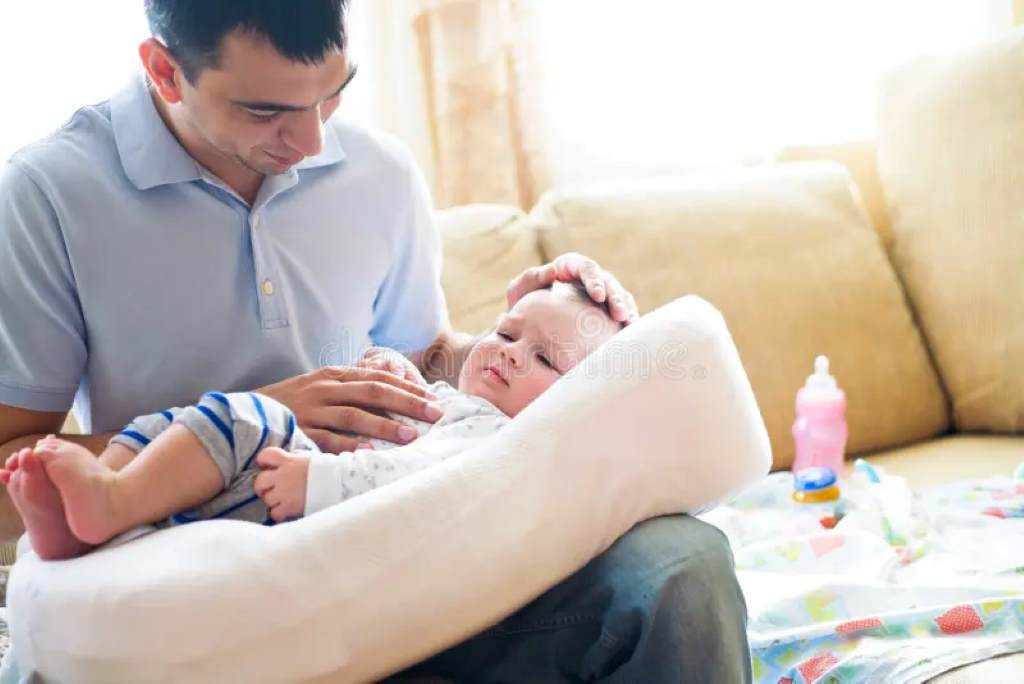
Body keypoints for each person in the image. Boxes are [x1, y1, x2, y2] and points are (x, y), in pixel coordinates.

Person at [0, 1, 751, 680]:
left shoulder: (377, 172)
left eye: (334, 91)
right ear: (165, 71)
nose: (313, 137)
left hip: (411, 565)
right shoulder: (49, 197)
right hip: (225, 604)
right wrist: (263, 407)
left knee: (682, 569)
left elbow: (437, 369)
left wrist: (552, 329)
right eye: (267, 110)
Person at [3, 283, 623, 559]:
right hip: (289, 475)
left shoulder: (495, 439)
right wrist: (393, 371)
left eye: (543, 358)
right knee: (173, 422)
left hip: (294, 493)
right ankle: (81, 514)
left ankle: (112, 502)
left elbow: (420, 475)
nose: (511, 351)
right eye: (506, 332)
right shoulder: (465, 404)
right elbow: (422, 400)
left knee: (243, 416)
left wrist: (315, 483)